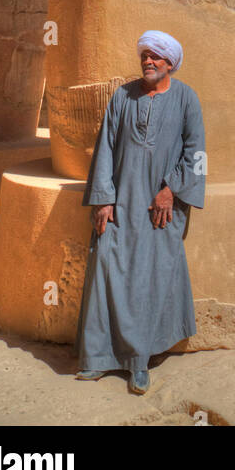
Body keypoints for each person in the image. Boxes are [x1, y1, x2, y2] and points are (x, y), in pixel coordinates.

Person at [74, 30, 205, 394]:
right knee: (106, 270)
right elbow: (105, 147)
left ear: (170, 63)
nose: (149, 61)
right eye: (144, 55)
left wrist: (171, 190)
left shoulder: (185, 98)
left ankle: (140, 363)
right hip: (120, 204)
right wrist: (103, 198)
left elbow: (197, 152)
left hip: (159, 210)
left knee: (149, 279)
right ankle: (98, 358)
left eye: (156, 57)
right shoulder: (123, 96)